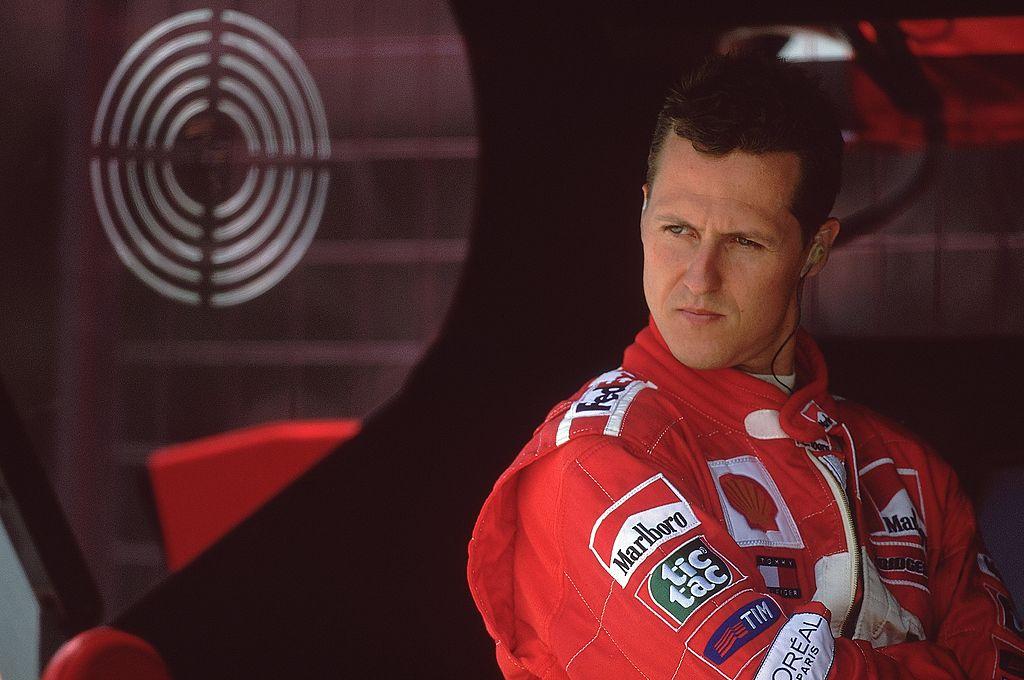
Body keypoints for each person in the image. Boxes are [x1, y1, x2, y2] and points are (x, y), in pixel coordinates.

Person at [467, 51, 1024, 679]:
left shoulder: (908, 472)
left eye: (744, 241)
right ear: (643, 212)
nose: (699, 278)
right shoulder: (597, 460)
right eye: (677, 229)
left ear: (815, 250)